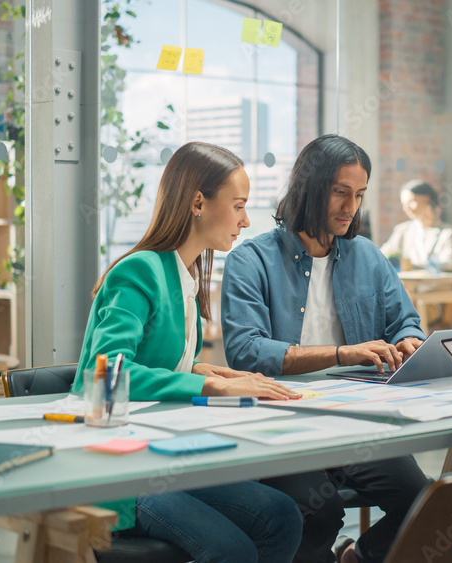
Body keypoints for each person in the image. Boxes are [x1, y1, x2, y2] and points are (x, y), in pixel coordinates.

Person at [72, 141, 303, 563]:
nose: (246, 220)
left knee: (282, 514)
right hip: (120, 469)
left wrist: (219, 373)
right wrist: (209, 385)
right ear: (198, 202)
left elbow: (163, 359)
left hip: (166, 454)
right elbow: (103, 374)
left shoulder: (187, 276)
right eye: (238, 206)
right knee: (230, 549)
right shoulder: (140, 270)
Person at [222, 134, 430, 563]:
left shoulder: (368, 257)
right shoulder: (250, 260)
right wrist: (342, 353)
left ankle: (357, 556)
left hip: (357, 423)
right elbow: (246, 351)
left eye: (359, 195)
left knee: (425, 502)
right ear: (310, 187)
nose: (350, 207)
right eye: (340, 192)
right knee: (319, 513)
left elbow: (405, 322)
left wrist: (410, 339)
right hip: (284, 427)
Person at [379, 180, 452, 271]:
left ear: (427, 199)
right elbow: (382, 256)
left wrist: (410, 266)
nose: (406, 208)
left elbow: (447, 264)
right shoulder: (402, 230)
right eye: (403, 204)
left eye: (410, 202)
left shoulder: (448, 233)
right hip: (406, 285)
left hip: (435, 284)